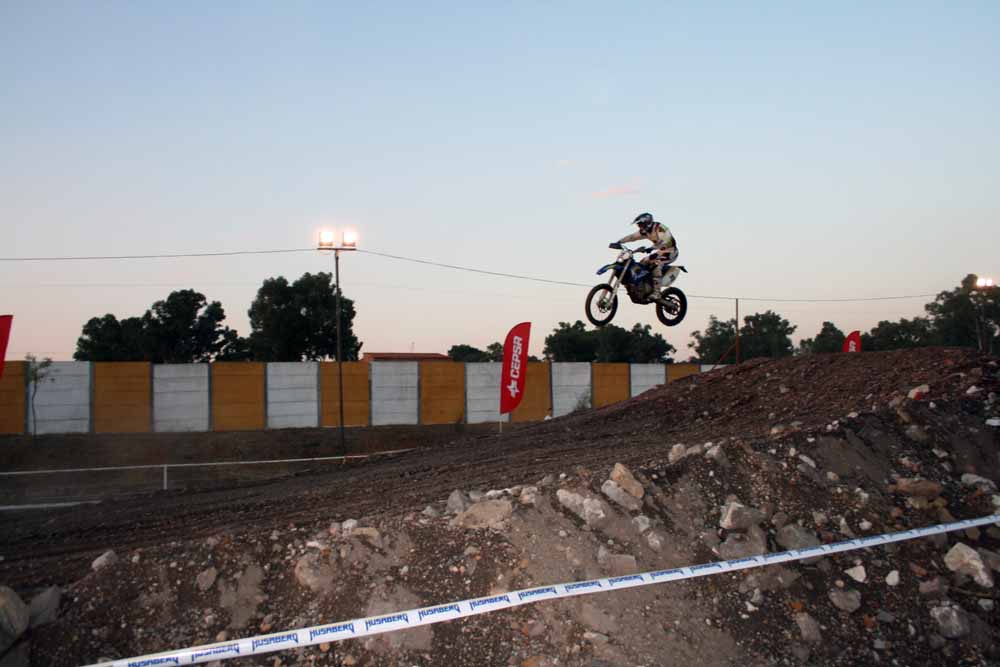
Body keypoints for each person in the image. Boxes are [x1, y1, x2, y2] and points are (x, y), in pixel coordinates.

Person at [609, 212, 680, 295]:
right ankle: (645, 286)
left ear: (647, 223)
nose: (639, 227)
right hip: (660, 252)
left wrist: (651, 248)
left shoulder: (659, 228)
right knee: (643, 262)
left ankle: (657, 293)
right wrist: (619, 242)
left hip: (671, 252)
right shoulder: (646, 232)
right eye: (638, 225)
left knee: (656, 264)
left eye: (640, 224)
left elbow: (665, 241)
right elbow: (632, 237)